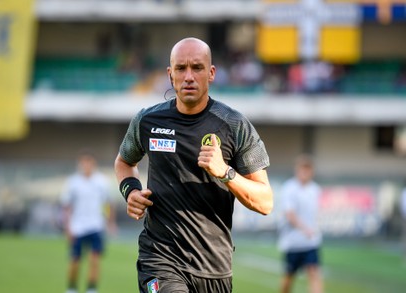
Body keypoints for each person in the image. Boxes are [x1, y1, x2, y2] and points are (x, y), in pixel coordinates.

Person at [114, 37, 273, 293]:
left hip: (214, 268)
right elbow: (124, 162)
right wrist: (130, 190)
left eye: (197, 68)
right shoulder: (147, 120)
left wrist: (225, 172)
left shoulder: (234, 125)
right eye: (181, 68)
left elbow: (265, 202)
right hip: (159, 259)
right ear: (170, 75)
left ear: (211, 73)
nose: (188, 76)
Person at [61, 150, 116, 293]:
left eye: (88, 163)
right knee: (75, 261)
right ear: (79, 165)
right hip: (77, 227)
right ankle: (71, 287)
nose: (86, 166)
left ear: (93, 164)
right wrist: (67, 227)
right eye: (83, 164)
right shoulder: (73, 182)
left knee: (95, 259)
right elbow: (67, 207)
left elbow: (108, 204)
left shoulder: (101, 182)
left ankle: (91, 289)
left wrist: (110, 223)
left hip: (96, 225)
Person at [277, 154, 323, 293]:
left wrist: (313, 230)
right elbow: (290, 214)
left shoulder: (315, 189)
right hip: (293, 242)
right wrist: (305, 229)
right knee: (289, 277)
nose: (305, 173)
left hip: (310, 242)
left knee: (314, 273)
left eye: (308, 170)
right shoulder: (289, 188)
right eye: (302, 169)